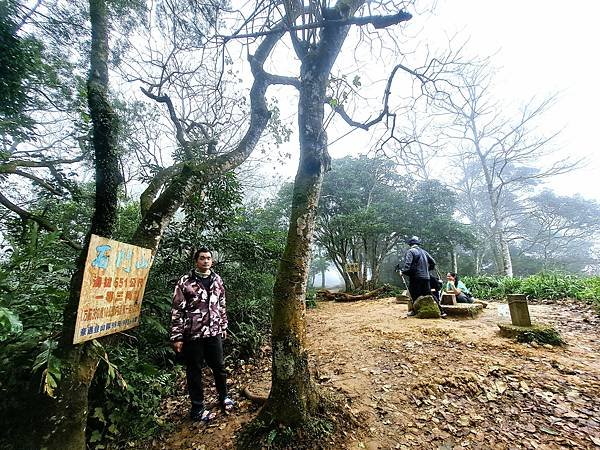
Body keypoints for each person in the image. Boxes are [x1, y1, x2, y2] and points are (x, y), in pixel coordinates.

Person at [170, 247, 235, 422]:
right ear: (196, 261)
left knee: (219, 367)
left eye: (208, 258)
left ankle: (224, 397)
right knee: (194, 371)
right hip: (193, 334)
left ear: (212, 261)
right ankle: (197, 408)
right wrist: (177, 336)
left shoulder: (217, 279)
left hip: (214, 332)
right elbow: (177, 310)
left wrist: (223, 326)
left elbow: (221, 305)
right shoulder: (185, 281)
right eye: (202, 258)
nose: (205, 261)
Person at [400, 236, 437, 316]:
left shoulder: (411, 251)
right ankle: (438, 310)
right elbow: (433, 262)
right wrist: (427, 270)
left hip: (416, 277)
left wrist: (403, 272)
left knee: (414, 294)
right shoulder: (424, 252)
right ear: (417, 244)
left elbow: (408, 265)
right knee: (428, 294)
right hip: (426, 277)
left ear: (410, 244)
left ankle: (414, 311)